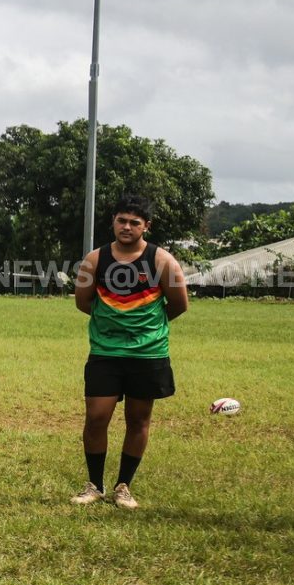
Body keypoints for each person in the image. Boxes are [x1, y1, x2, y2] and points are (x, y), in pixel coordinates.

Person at [71, 194, 189, 509]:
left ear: (146, 226)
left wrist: (146, 329)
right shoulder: (94, 260)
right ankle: (94, 485)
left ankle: (123, 486)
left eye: (134, 222)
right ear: (113, 222)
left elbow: (179, 304)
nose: (126, 227)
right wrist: (112, 325)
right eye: (121, 220)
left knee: (138, 420)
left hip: (148, 354)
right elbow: (82, 301)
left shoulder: (162, 260)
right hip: (105, 352)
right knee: (96, 417)